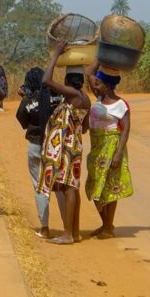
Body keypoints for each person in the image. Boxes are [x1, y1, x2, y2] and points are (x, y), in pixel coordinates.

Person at [38, 40, 91, 244]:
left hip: (67, 148)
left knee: (68, 188)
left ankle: (68, 234)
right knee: (72, 188)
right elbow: (84, 128)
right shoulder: (85, 98)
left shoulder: (72, 95)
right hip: (75, 146)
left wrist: (56, 55)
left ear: (68, 81)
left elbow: (46, 80)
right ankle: (74, 232)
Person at [84, 60, 133, 240]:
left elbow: (125, 130)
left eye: (99, 83)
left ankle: (107, 227)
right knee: (94, 186)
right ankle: (106, 224)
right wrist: (101, 58)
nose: (95, 85)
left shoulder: (121, 105)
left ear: (107, 85)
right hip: (96, 148)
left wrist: (118, 154)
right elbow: (89, 73)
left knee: (110, 188)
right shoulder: (99, 97)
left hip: (112, 148)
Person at [15, 66, 66, 239]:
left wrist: (26, 99)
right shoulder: (58, 96)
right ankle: (68, 228)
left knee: (40, 187)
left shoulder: (28, 101)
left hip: (36, 145)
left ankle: (44, 228)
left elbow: (23, 121)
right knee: (59, 187)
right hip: (56, 147)